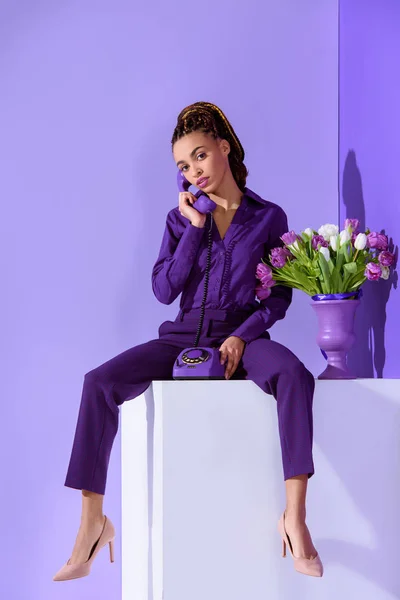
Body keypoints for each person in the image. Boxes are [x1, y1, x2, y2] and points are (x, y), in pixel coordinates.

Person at [53, 101, 323, 581]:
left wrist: (242, 335)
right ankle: (92, 522)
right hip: (181, 338)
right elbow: (163, 290)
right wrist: (195, 228)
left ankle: (295, 517)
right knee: (98, 382)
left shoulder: (267, 216)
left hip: (241, 334)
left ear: (223, 147)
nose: (193, 170)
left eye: (199, 156)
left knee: (292, 373)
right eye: (183, 165)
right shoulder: (179, 220)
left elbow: (278, 298)